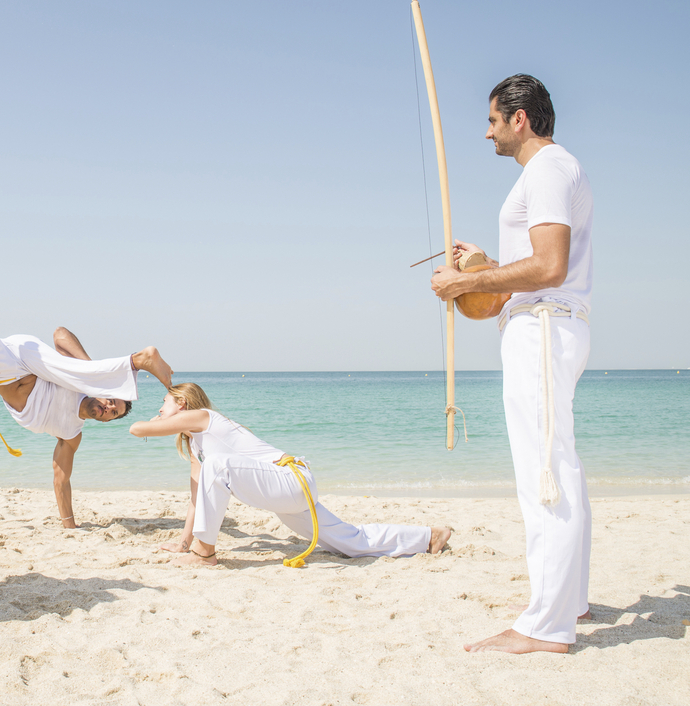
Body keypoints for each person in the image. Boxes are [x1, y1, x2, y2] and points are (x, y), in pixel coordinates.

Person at [431, 74, 593, 655]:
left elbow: (550, 266)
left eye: (494, 119)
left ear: (519, 119)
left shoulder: (547, 169)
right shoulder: (550, 171)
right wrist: (479, 268)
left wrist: (465, 280)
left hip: (544, 324)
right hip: (546, 323)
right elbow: (533, 266)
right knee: (557, 464)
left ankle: (546, 626)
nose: (488, 131)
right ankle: (569, 601)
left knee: (544, 472)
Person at [0, 225, 173, 529]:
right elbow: (59, 334)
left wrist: (69, 526)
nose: (109, 408)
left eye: (114, 413)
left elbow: (61, 478)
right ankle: (138, 360)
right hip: (32, 356)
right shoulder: (81, 380)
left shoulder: (71, 433)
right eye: (112, 401)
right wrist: (92, 374)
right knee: (74, 374)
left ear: (107, 422)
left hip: (6, 368)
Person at [129, 383, 451, 566]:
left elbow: (137, 427)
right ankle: (428, 537)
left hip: (290, 479)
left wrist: (138, 418)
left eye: (164, 402)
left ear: (182, 403)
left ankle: (206, 553)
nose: (160, 410)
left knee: (219, 465)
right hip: (283, 494)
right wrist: (182, 543)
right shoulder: (198, 449)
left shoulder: (202, 417)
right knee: (349, 542)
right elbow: (196, 501)